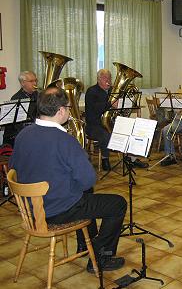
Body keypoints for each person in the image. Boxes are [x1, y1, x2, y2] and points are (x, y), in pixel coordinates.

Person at [9, 86, 128, 273]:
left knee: (86, 194)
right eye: (67, 107)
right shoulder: (64, 140)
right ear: (61, 111)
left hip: (32, 208)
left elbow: (13, 167)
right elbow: (88, 179)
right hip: (56, 209)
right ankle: (100, 257)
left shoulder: (24, 134)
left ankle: (83, 244)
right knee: (117, 204)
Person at [85, 69, 148, 171]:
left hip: (111, 122)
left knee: (129, 131)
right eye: (105, 78)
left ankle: (132, 159)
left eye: (109, 78)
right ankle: (105, 159)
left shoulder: (112, 91)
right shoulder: (91, 91)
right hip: (94, 125)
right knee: (106, 135)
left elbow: (121, 107)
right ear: (99, 79)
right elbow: (94, 109)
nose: (108, 80)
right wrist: (111, 104)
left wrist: (127, 103)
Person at [3, 71, 39, 147]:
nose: (35, 83)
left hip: (31, 130)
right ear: (23, 83)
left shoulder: (38, 95)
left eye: (36, 80)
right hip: (16, 135)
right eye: (31, 81)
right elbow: (17, 125)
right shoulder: (16, 98)